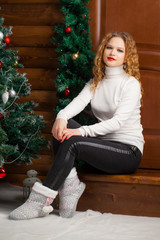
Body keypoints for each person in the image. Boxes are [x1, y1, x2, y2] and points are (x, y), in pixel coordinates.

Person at [9, 32, 144, 220]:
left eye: (120, 50)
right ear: (103, 50)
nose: (113, 52)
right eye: (109, 47)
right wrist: (61, 117)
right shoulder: (95, 82)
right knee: (61, 127)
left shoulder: (130, 84)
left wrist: (81, 131)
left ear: (127, 57)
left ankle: (39, 201)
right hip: (101, 149)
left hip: (127, 152)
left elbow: (118, 122)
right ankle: (70, 185)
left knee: (73, 141)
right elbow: (77, 103)